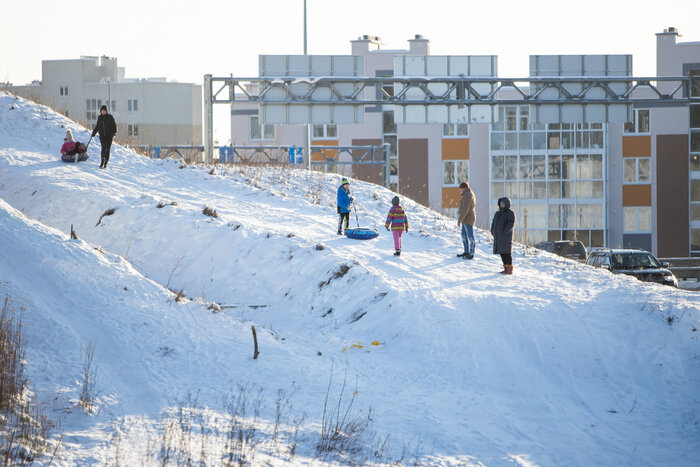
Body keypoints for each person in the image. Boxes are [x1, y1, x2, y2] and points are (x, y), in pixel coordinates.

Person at [491, 197, 516, 274]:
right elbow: (493, 223)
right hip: (498, 237)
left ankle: (509, 269)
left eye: (503, 203)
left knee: (506, 253)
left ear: (507, 204)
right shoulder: (497, 213)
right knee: (502, 252)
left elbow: (510, 224)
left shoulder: (510, 213)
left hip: (506, 237)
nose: (502, 205)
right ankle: (505, 268)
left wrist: (505, 232)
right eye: (501, 203)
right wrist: (493, 231)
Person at [91, 105, 117, 169]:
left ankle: (106, 162)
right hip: (102, 135)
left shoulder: (110, 117)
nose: (103, 112)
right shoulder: (100, 118)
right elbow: (97, 126)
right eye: (102, 111)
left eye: (104, 111)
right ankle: (102, 161)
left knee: (108, 148)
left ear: (106, 111)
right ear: (100, 111)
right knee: (103, 147)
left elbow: (114, 125)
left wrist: (114, 132)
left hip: (109, 135)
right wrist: (94, 133)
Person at [457, 181, 476, 259]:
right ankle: (466, 251)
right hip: (465, 218)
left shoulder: (468, 195)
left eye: (461, 189)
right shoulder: (466, 194)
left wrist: (459, 220)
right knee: (463, 235)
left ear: (465, 188)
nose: (460, 190)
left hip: (468, 218)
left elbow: (465, 209)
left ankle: (471, 253)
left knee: (470, 236)